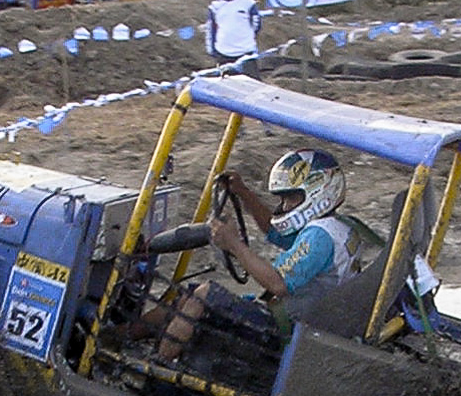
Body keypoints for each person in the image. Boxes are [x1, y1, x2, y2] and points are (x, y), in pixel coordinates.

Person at [156, 149, 366, 362]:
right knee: (186, 296)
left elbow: (277, 284)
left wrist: (234, 245)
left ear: (319, 190)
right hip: (304, 324)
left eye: (292, 198)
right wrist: (243, 193)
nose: (285, 206)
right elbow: (275, 232)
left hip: (289, 332)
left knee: (204, 294)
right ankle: (128, 337)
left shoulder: (319, 236)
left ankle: (154, 368)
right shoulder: (339, 227)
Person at [205, 0, 261, 76]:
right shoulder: (215, 6)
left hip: (246, 53)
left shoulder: (248, 3)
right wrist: (213, 51)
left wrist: (245, 39)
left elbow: (256, 25)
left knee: (252, 86)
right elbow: (211, 30)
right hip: (223, 53)